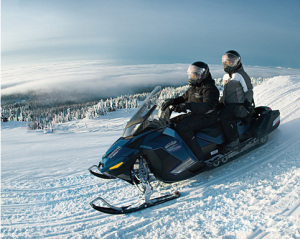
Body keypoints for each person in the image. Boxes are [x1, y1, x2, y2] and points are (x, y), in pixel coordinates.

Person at [162, 61, 219, 163]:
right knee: (171, 123)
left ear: (203, 74)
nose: (192, 77)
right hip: (195, 115)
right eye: (191, 74)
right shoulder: (194, 88)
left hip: (208, 117)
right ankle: (177, 153)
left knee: (183, 127)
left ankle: (198, 157)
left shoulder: (210, 88)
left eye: (196, 74)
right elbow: (183, 98)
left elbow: (208, 106)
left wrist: (187, 106)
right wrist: (173, 101)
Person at [219, 50, 254, 150]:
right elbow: (225, 92)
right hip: (228, 104)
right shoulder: (225, 76)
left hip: (238, 104)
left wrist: (247, 104)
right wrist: (221, 102)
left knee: (225, 117)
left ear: (237, 62)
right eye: (226, 62)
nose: (228, 64)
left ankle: (234, 141)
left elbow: (249, 90)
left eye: (231, 61)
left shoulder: (241, 75)